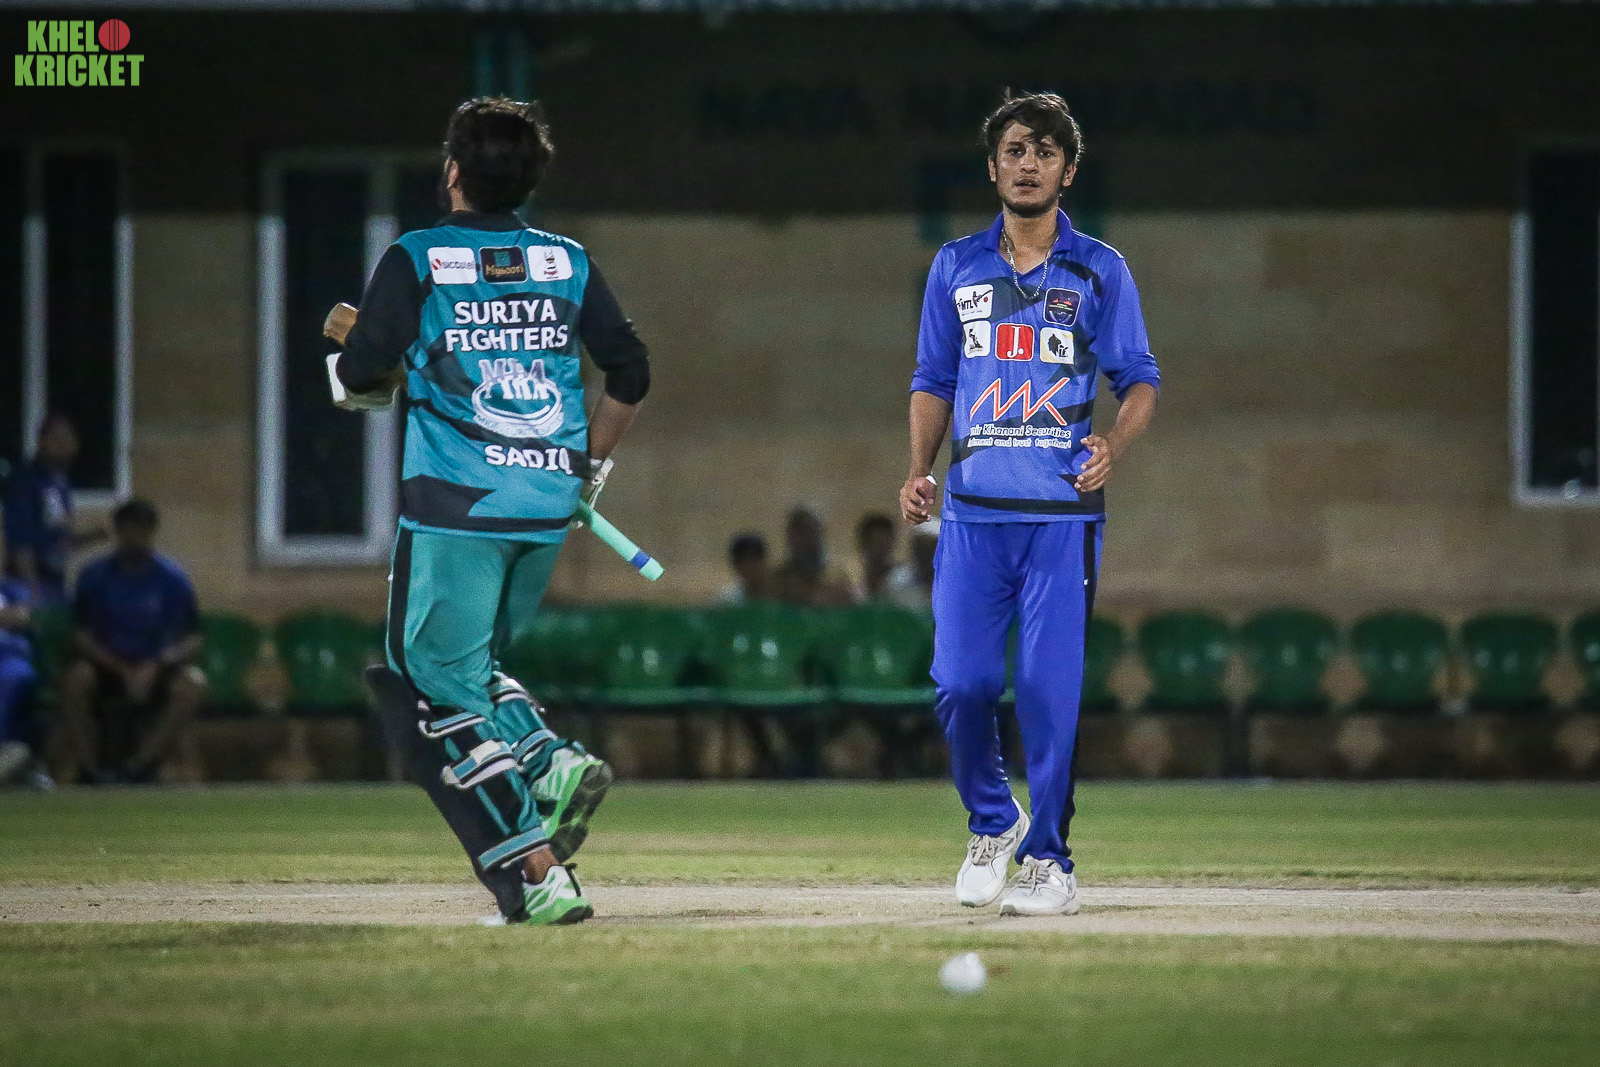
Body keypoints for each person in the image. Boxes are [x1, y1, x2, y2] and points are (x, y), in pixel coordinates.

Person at [330, 98, 650, 926]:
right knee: (466, 670)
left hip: (458, 503)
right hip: (544, 502)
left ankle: (538, 860)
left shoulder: (418, 257)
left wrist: (365, 361)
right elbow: (630, 370)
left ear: (452, 172)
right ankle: (544, 761)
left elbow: (362, 369)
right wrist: (586, 468)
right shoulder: (566, 260)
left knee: (426, 685)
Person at [900, 92, 1160, 917]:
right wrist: (917, 469)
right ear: (993, 167)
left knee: (1049, 696)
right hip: (972, 516)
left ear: (1067, 171)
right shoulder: (954, 266)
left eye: (1045, 152)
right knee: (961, 683)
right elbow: (933, 377)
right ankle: (992, 820)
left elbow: (1140, 379)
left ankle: (1051, 860)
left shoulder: (1100, 269)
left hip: (1060, 520)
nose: (1028, 164)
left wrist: (1113, 444)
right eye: (1015, 150)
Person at [58, 499, 206, 784]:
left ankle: (139, 766)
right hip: (106, 665)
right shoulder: (94, 576)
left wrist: (157, 665)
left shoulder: (173, 579)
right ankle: (91, 770)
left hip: (156, 668)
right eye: (129, 529)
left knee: (193, 684)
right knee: (77, 679)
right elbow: (80, 636)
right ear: (118, 532)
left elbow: (194, 638)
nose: (136, 536)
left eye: (142, 529)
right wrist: (123, 670)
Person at [2, 413, 104, 604]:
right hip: (27, 584)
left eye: (68, 437)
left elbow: (59, 538)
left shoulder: (60, 482)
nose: (64, 444)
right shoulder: (26, 480)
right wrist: (32, 590)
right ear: (41, 441)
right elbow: (21, 542)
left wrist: (97, 534)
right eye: (57, 437)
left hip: (54, 581)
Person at [0, 575, 46, 787]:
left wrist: (10, 615)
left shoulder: (10, 588)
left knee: (10, 677)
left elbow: (24, 616)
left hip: (9, 657)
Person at [770, 507, 854, 608]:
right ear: (790, 538)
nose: (808, 540)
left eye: (812, 532)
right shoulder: (778, 580)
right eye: (801, 533)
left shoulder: (838, 579)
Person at [885, 523, 938, 613]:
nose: (927, 552)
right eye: (921, 546)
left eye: (932, 546)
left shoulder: (953, 582)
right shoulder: (897, 581)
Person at [855, 514, 898, 602]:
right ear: (863, 544)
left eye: (884, 542)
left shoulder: (902, 582)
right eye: (875, 542)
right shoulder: (855, 585)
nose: (880, 548)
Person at [721, 532, 770, 603]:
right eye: (745, 560)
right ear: (736, 565)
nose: (751, 566)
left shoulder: (779, 596)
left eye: (756, 559)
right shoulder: (729, 600)